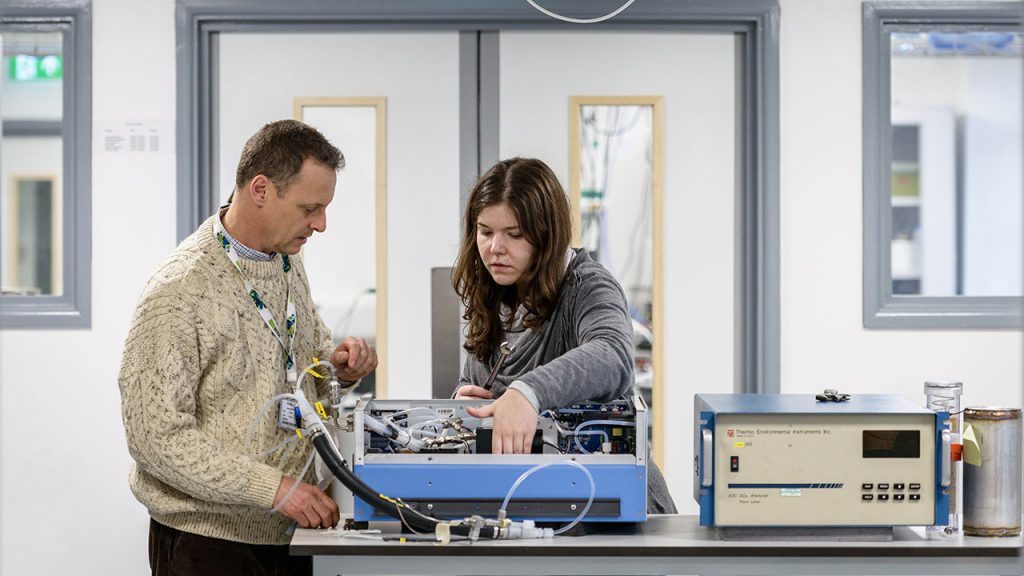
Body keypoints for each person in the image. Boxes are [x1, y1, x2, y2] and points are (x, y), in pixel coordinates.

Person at [119, 119, 378, 575]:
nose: (320, 224)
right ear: (261, 189)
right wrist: (272, 489)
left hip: (288, 529)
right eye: (310, 208)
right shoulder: (178, 291)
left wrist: (339, 369)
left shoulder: (285, 263)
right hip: (210, 543)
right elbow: (156, 438)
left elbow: (301, 367)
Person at [451, 157, 677, 515]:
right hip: (532, 507)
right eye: (485, 231)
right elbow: (475, 380)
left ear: (547, 235)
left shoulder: (588, 286)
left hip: (611, 510)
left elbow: (612, 354)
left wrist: (527, 393)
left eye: (515, 234)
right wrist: (464, 406)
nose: (495, 247)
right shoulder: (496, 291)